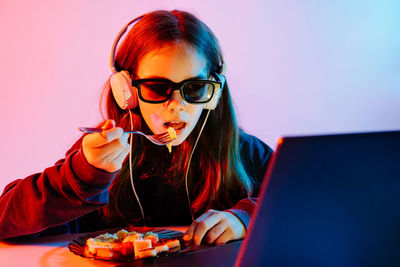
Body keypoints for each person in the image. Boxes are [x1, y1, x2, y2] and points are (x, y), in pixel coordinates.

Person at [0, 10, 272, 248]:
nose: (177, 107)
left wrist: (247, 216)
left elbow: (307, 206)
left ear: (213, 92)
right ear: (126, 91)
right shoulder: (103, 158)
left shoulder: (244, 152)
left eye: (194, 88)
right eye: (157, 87)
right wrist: (82, 177)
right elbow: (5, 220)